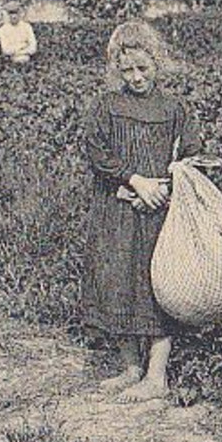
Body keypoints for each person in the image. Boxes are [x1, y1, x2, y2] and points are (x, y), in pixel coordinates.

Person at [80, 20, 202, 404]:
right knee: (118, 279)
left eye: (143, 69)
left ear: (157, 62)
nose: (135, 77)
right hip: (117, 207)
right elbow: (97, 152)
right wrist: (133, 181)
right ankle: (130, 366)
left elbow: (192, 154)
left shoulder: (174, 108)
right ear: (116, 69)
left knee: (156, 285)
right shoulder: (106, 106)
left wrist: (164, 185)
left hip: (159, 211)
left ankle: (156, 375)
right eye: (127, 70)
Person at [0, 1, 38, 65]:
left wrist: (22, 52)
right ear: (7, 15)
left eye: (16, 13)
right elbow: (5, 50)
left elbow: (33, 47)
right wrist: (21, 47)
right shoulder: (3, 29)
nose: (14, 16)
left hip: (27, 59)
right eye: (11, 14)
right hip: (10, 61)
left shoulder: (27, 27)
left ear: (20, 14)